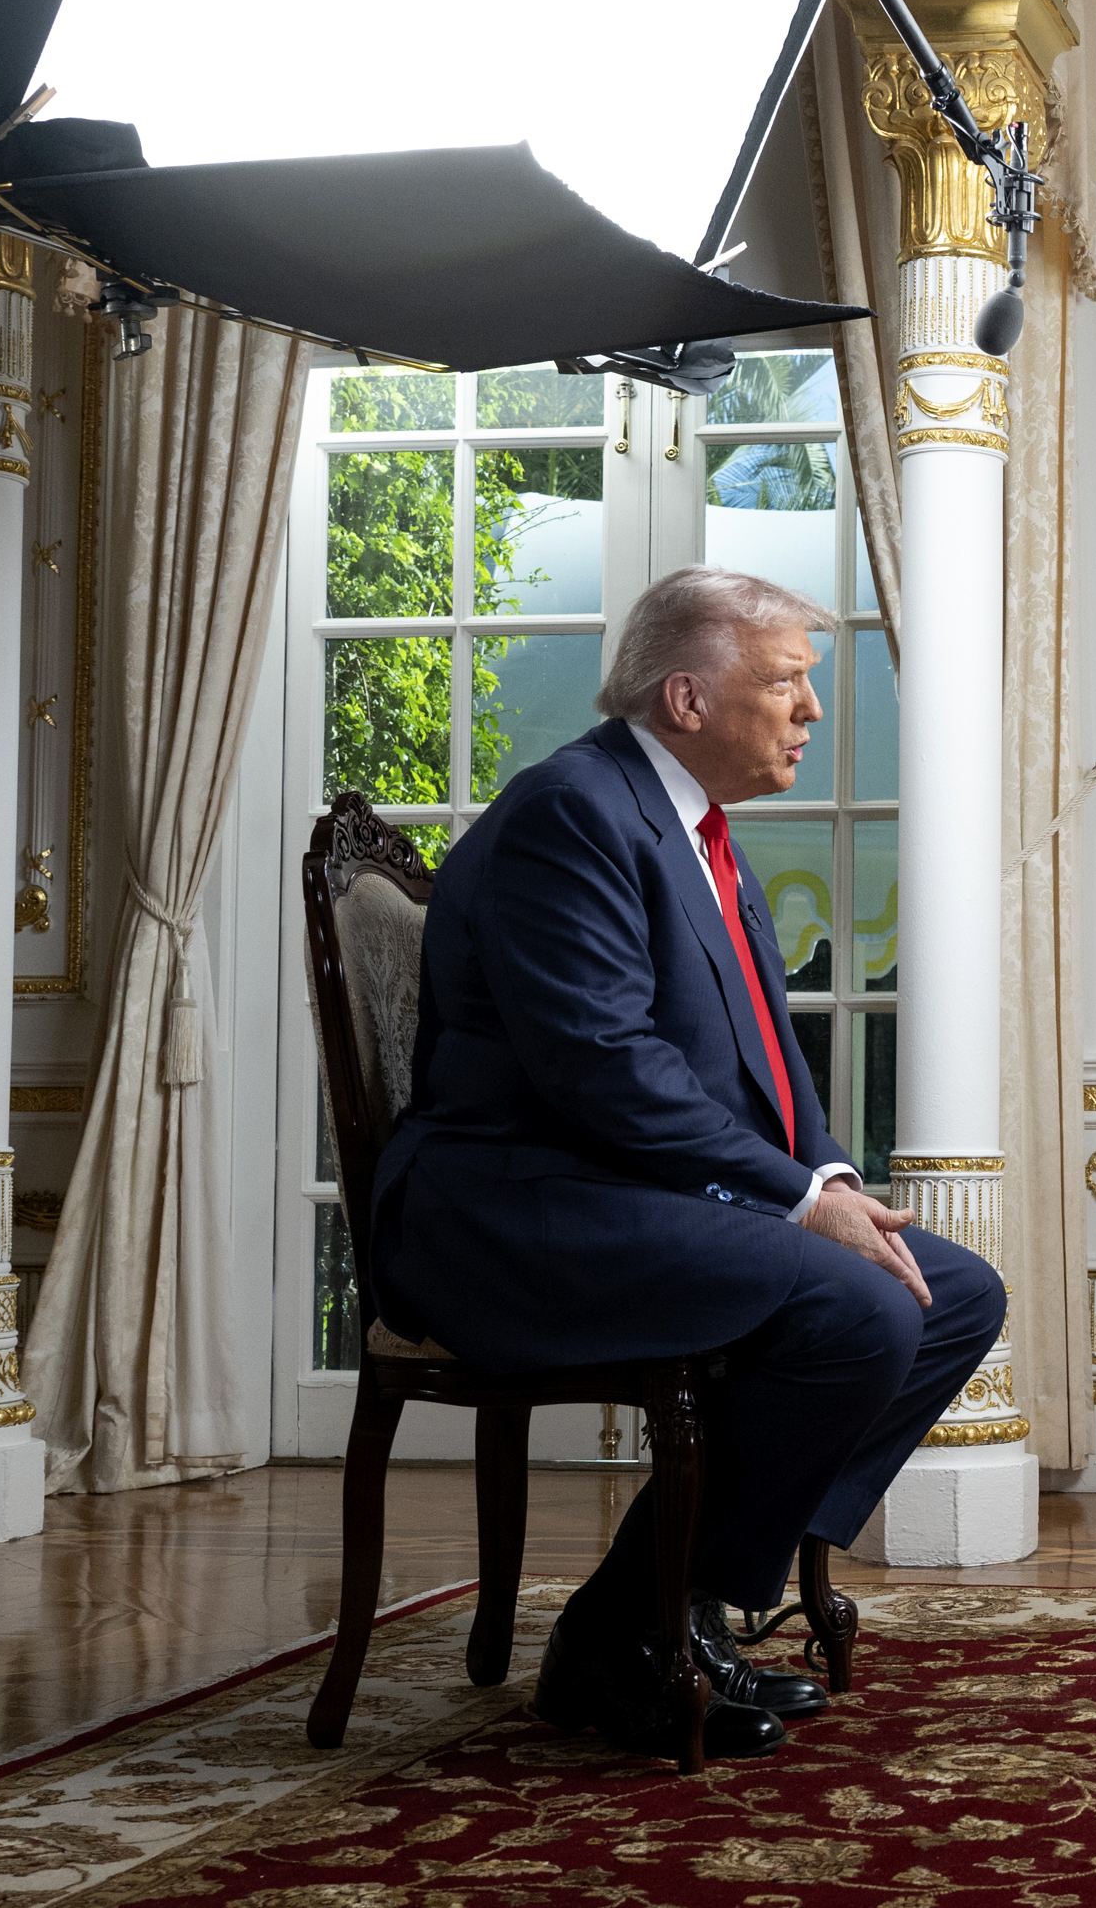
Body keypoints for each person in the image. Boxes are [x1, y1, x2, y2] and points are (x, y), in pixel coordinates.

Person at [368, 564, 1005, 1764]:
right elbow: (601, 1066)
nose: (812, 711)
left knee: (955, 1293)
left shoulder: (696, 828)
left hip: (618, 1192)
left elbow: (768, 1062)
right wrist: (795, 1201)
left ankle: (674, 1609)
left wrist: (828, 1177)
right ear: (689, 698)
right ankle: (637, 1634)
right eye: (787, 684)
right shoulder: (573, 812)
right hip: (512, 1212)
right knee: (863, 1309)